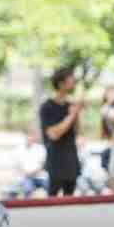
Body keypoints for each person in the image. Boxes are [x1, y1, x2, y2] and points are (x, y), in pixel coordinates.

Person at [39, 67, 83, 197]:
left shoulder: (70, 105)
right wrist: (71, 116)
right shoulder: (47, 107)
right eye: (70, 80)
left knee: (70, 200)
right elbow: (53, 134)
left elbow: (78, 132)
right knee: (52, 200)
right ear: (61, 83)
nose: (73, 82)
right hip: (56, 161)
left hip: (71, 159)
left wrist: (76, 114)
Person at [14, 128, 48, 198]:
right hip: (25, 177)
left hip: (39, 176)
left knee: (49, 185)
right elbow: (18, 165)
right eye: (28, 136)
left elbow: (42, 164)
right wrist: (26, 173)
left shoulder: (40, 148)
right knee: (27, 188)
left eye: (31, 136)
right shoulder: (19, 149)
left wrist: (33, 172)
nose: (29, 138)